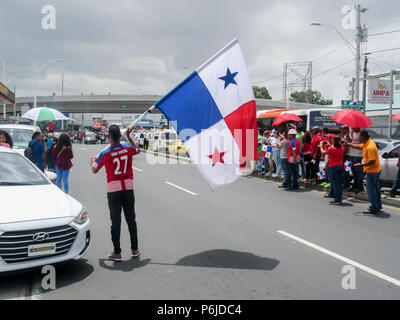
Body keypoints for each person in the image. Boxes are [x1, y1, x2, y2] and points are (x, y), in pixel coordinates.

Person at [91, 125, 141, 262]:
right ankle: (135, 249)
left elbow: (94, 170)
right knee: (131, 220)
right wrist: (129, 136)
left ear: (108, 137)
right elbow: (138, 150)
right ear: (120, 136)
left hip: (114, 190)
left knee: (116, 222)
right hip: (128, 189)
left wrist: (93, 161)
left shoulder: (105, 153)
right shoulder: (128, 148)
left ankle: (117, 252)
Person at [346, 131, 382, 214]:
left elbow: (372, 161)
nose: (359, 139)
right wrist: (348, 144)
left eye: (360, 138)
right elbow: (358, 147)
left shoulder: (370, 146)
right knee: (376, 189)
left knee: (371, 190)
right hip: (375, 170)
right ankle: (378, 205)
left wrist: (361, 164)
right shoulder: (367, 143)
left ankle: (373, 207)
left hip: (372, 171)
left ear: (362, 137)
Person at [321, 136, 344, 205]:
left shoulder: (332, 149)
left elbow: (323, 152)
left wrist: (320, 146)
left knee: (335, 183)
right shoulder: (341, 148)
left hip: (334, 166)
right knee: (339, 183)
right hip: (340, 165)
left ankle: (337, 199)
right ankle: (339, 198)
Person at [347, 128, 364, 192]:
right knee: (353, 170)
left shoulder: (361, 133)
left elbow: (361, 144)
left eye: (353, 127)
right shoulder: (356, 133)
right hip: (352, 154)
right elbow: (354, 142)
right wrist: (349, 140)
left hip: (358, 155)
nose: (352, 129)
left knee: (358, 171)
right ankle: (355, 185)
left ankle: (360, 186)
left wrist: (350, 144)